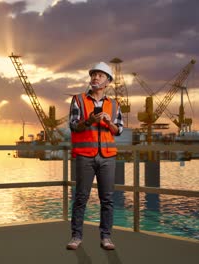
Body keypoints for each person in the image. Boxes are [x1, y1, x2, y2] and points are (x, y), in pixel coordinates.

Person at [66, 61, 124, 250]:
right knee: (81, 197)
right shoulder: (78, 100)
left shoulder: (114, 105)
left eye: (100, 75)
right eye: (93, 74)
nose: (95, 77)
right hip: (85, 155)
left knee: (107, 199)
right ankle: (76, 236)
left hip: (107, 157)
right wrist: (90, 120)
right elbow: (74, 125)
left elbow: (119, 131)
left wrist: (108, 122)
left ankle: (106, 237)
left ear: (107, 81)